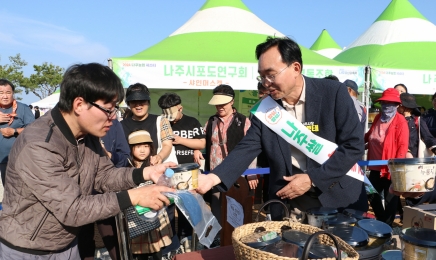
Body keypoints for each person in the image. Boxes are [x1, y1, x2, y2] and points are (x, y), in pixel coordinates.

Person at [0, 63, 175, 259]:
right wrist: (134, 196)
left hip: (66, 244)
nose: (113, 118)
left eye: (115, 109)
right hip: (28, 250)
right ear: (79, 104)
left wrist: (145, 173)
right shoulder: (39, 144)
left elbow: (104, 176)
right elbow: (72, 209)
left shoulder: (86, 135)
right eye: (108, 110)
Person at [196, 37, 368, 221]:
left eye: (271, 74)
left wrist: (312, 179)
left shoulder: (333, 93)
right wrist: (212, 178)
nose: (265, 83)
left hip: (337, 199)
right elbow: (246, 148)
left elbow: (353, 146)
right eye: (261, 76)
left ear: (295, 68)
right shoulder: (266, 109)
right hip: (290, 203)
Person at [194, 84, 253, 235]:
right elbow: (203, 140)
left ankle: (237, 238)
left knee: (236, 209)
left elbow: (252, 147)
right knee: (217, 208)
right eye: (217, 103)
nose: (220, 106)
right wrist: (196, 149)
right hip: (214, 174)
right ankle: (219, 239)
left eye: (223, 103)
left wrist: (252, 172)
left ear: (232, 101)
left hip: (236, 174)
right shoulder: (211, 121)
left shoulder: (243, 121)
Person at [78, 118, 131, 260]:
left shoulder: (113, 123)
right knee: (83, 243)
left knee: (114, 242)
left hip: (106, 195)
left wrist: (108, 155)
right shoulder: (75, 124)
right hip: (78, 197)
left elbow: (125, 157)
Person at [158, 92, 205, 240]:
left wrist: (181, 140)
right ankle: (170, 238)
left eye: (171, 111)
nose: (168, 116)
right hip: (168, 172)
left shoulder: (192, 122)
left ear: (180, 108)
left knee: (187, 205)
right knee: (168, 206)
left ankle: (186, 237)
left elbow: (202, 143)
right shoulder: (161, 123)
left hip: (188, 174)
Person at [364, 88, 409, 226]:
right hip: (374, 166)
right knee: (371, 194)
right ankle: (382, 222)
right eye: (384, 103)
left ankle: (387, 227)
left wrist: (395, 167)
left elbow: (402, 146)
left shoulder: (400, 121)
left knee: (391, 199)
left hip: (390, 168)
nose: (386, 106)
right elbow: (369, 135)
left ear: (397, 105)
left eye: (390, 103)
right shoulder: (378, 118)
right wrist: (356, 143)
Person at [127, 130, 174, 260]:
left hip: (155, 212)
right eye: (138, 147)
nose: (142, 150)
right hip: (137, 213)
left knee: (156, 247)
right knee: (139, 250)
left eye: (146, 146)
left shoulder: (155, 165)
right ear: (131, 148)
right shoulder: (126, 167)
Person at [121, 83, 174, 166]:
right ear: (128, 104)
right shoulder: (121, 125)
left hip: (157, 171)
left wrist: (159, 156)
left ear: (148, 102)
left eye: (142, 101)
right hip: (129, 173)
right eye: (134, 101)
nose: (138, 105)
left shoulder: (161, 120)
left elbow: (167, 145)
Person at [0, 79, 35, 186]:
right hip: (1, 158)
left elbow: (34, 130)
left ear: (13, 94)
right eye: (1, 93)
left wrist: (15, 131)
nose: (5, 96)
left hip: (17, 158)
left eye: (8, 93)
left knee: (16, 190)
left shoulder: (23, 108)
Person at [397, 93, 436, 158]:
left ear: (406, 107)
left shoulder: (417, 120)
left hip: (413, 157)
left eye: (399, 104)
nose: (397, 106)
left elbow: (428, 137)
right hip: (395, 155)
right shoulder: (395, 120)